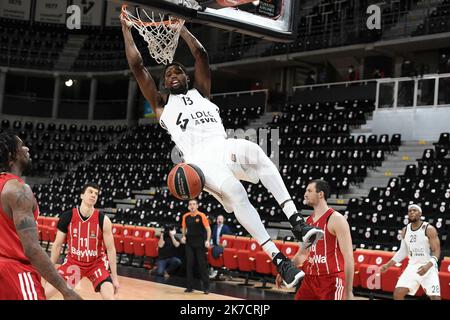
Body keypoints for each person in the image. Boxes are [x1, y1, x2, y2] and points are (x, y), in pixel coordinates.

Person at [121, 12, 323, 289]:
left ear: (187, 77)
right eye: (168, 74)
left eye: (178, 70)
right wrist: (126, 28)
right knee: (238, 194)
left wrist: (181, 29)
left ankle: (297, 222)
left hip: (223, 145)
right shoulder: (161, 107)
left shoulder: (202, 92)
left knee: (256, 152)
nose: (173, 74)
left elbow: (201, 54)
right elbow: (137, 66)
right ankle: (279, 260)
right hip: (202, 165)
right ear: (164, 84)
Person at [0, 132, 81, 300]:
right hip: (15, 274)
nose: (26, 148)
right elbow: (32, 249)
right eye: (21, 146)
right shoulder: (18, 189)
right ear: (11, 155)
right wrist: (66, 290)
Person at [276, 180, 354, 300]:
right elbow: (302, 254)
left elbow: (349, 257)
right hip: (310, 279)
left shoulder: (336, 219)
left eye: (309, 191)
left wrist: (349, 292)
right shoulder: (306, 222)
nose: (305, 194)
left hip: (332, 280)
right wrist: (285, 270)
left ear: (320, 194)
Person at [44, 183, 119, 300]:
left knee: (109, 298)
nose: (94, 195)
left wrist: (115, 278)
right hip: (74, 264)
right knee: (44, 294)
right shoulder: (67, 217)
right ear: (82, 195)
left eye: (96, 194)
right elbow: (57, 245)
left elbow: (111, 249)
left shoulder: (103, 220)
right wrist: (50, 269)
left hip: (96, 264)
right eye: (90, 192)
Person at [380, 204, 441, 300]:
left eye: (414, 210)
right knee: (398, 294)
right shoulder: (405, 230)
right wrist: (387, 265)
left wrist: (428, 266)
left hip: (428, 266)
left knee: (435, 298)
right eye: (410, 211)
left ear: (420, 214)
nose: (412, 212)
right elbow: (402, 252)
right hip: (412, 267)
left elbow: (436, 251)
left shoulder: (429, 229)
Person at [181, 199, 211, 293]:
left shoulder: (201, 215)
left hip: (200, 243)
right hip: (189, 243)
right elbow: (184, 228)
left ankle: (206, 287)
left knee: (202, 265)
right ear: (188, 206)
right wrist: (183, 237)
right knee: (189, 264)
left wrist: (207, 240)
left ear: (197, 206)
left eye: (194, 204)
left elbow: (208, 229)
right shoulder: (185, 216)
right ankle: (190, 287)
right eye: (190, 204)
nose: (192, 206)